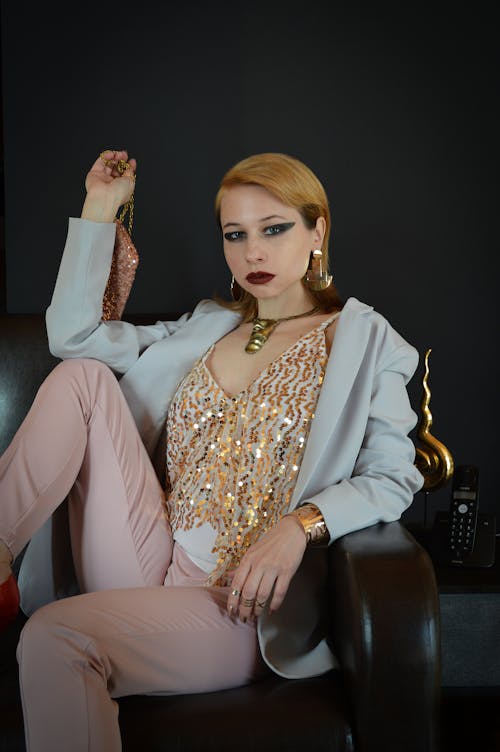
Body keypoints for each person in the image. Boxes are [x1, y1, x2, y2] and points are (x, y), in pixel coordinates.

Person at [0, 150, 423, 751]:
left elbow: (393, 478)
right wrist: (100, 208)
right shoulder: (207, 324)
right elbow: (74, 339)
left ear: (317, 230)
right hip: (143, 557)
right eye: (236, 234)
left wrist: (299, 528)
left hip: (237, 604)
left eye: (274, 229)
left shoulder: (366, 342)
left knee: (53, 636)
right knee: (82, 377)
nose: (254, 251)